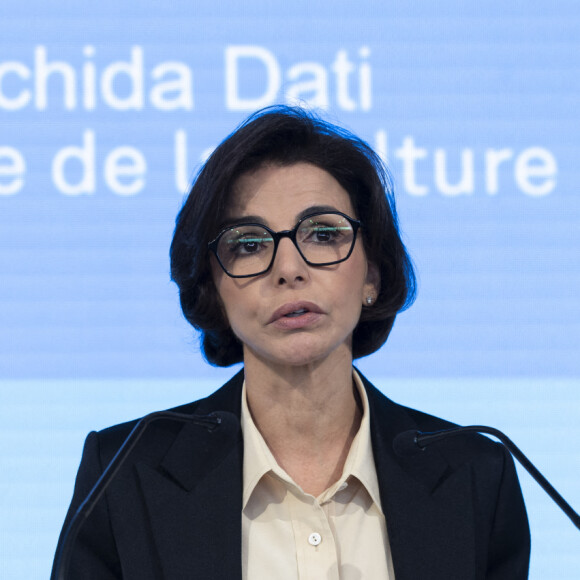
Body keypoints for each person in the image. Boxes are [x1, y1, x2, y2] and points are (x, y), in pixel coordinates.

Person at [52, 106, 530, 579]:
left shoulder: (476, 476)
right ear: (213, 289)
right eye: (249, 244)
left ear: (374, 275)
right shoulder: (123, 476)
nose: (288, 269)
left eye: (323, 234)